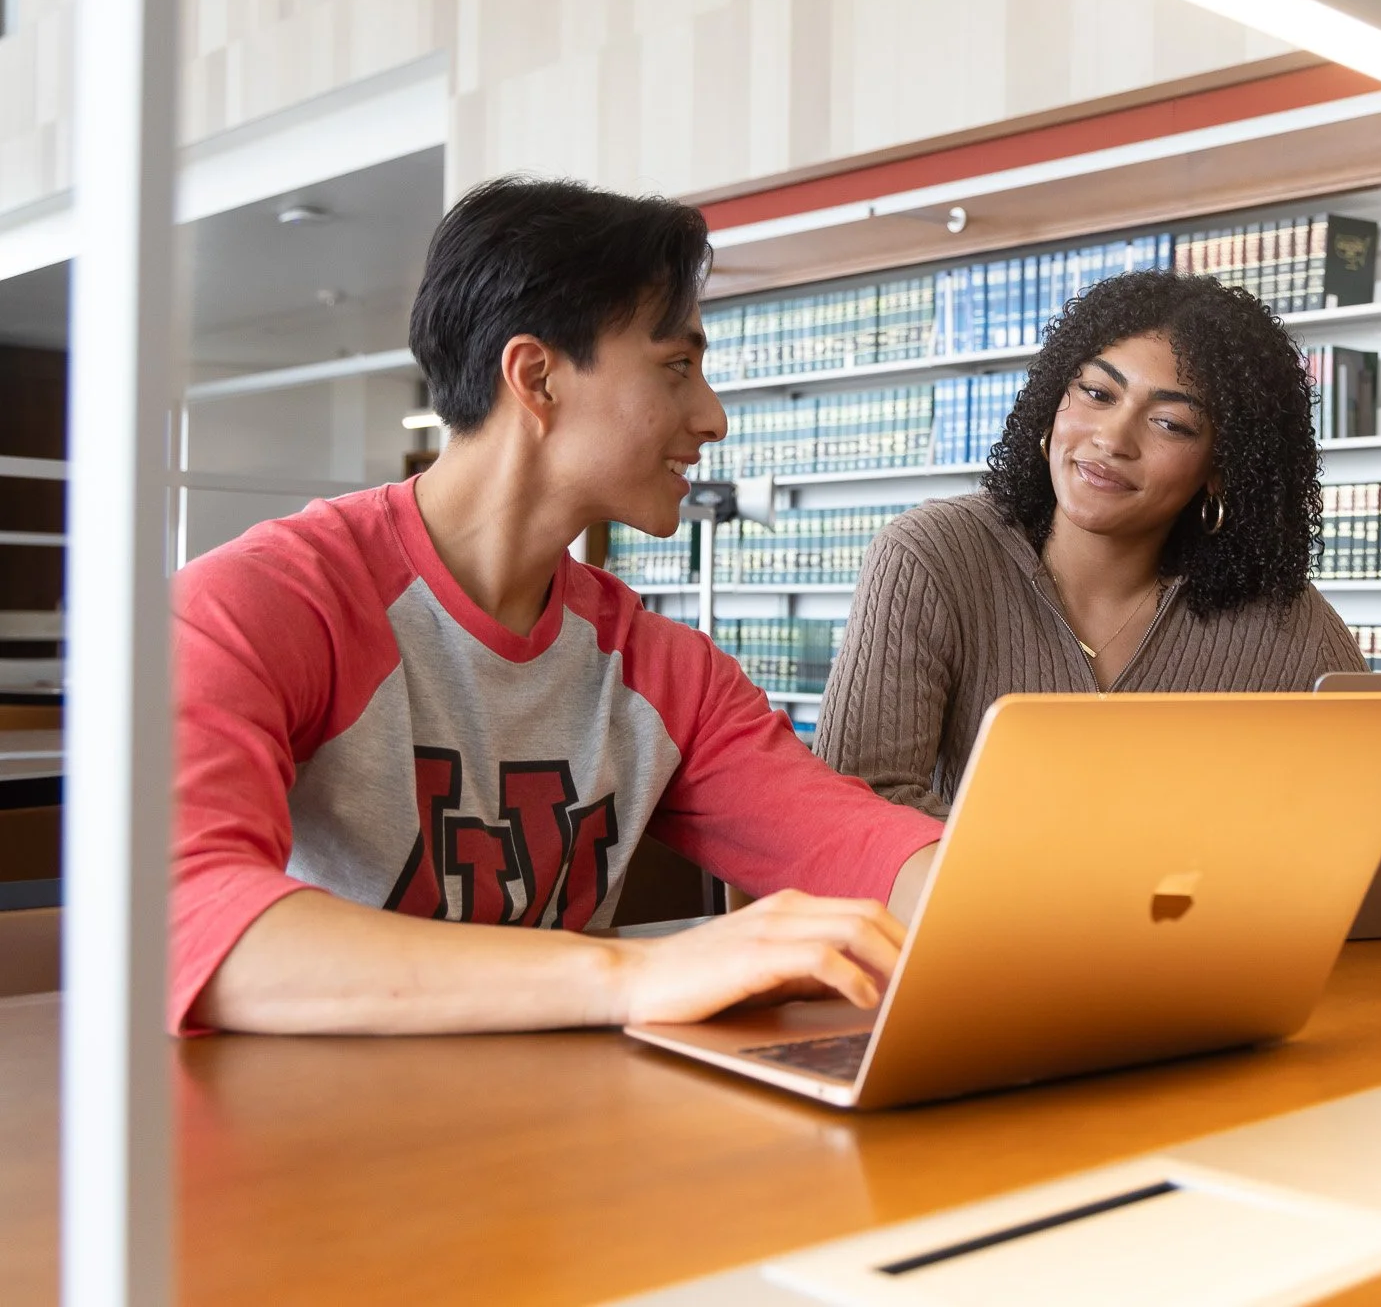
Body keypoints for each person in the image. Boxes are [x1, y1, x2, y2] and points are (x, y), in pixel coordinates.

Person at [170, 177, 941, 1036]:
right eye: (677, 367)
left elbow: (867, 851)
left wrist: (1016, 894)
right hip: (308, 1143)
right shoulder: (259, 604)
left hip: (560, 1135)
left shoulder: (665, 672)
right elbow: (181, 920)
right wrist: (633, 974)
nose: (714, 417)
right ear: (536, 377)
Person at [815, 271, 1366, 819]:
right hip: (963, 907)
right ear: (1056, 398)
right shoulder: (930, 556)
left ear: (1222, 468)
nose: (1112, 439)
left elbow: (1370, 817)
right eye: (1098, 393)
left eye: (1171, 424)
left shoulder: (1286, 623)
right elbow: (858, 805)